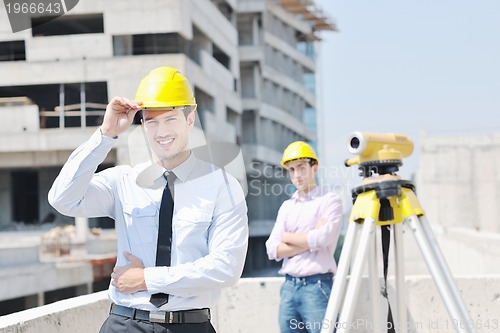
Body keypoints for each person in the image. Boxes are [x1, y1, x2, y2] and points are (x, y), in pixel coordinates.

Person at [48, 66, 248, 333]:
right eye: (151, 121)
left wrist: (146, 279)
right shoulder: (122, 182)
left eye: (170, 119)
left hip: (190, 325)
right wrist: (105, 135)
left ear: (190, 119)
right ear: (141, 124)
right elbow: (62, 199)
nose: (161, 131)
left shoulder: (222, 186)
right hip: (125, 324)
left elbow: (226, 268)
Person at [265, 141, 343, 333]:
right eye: (291, 170)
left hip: (317, 286)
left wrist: (288, 238)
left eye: (301, 168)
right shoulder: (287, 207)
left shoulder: (330, 200)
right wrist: (309, 240)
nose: (296, 175)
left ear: (314, 168)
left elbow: (323, 239)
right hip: (289, 288)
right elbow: (272, 248)